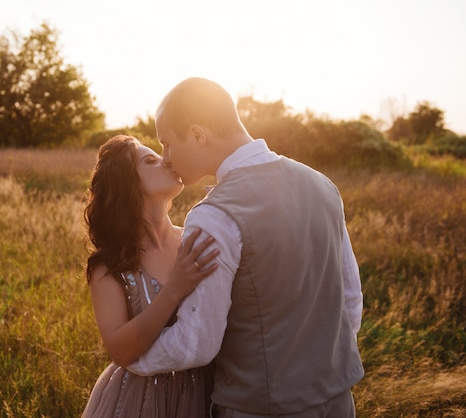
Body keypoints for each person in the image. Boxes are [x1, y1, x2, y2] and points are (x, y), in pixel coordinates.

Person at [126, 78, 365, 418]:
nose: (166, 158)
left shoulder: (213, 216)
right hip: (338, 398)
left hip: (260, 407)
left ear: (197, 134)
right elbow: (350, 300)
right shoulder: (322, 185)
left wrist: (131, 358)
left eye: (167, 143)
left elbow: (197, 343)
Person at [81, 135, 220, 417]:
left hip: (205, 394)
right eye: (150, 161)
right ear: (127, 183)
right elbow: (120, 351)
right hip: (140, 400)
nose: (167, 160)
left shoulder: (196, 239)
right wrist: (174, 289)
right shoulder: (109, 264)